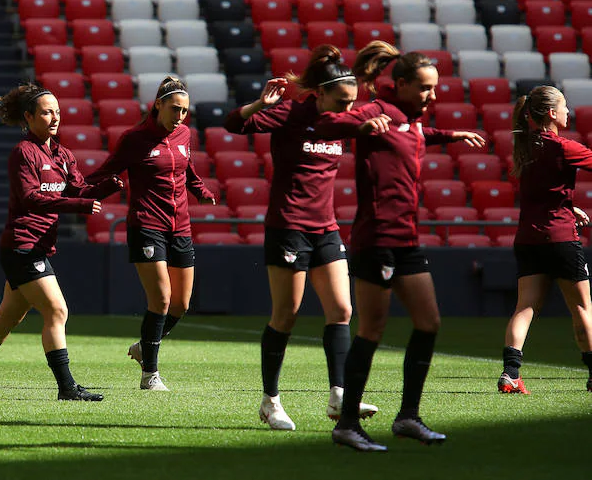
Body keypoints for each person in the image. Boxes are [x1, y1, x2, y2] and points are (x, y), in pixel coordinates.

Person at [312, 41, 485, 451]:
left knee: (429, 323)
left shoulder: (413, 119)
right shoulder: (379, 111)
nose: (433, 95)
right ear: (402, 84)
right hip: (377, 240)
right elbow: (326, 124)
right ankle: (348, 424)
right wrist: (359, 126)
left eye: (435, 88)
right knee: (372, 329)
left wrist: (452, 135)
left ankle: (408, 417)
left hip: (407, 238)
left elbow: (419, 132)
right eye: (425, 88)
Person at [224, 46, 385, 430]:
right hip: (288, 227)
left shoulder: (342, 121)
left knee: (342, 311)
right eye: (342, 101)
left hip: (326, 227)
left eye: (353, 102)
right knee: (287, 314)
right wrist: (257, 105)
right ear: (320, 94)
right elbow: (234, 124)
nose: (348, 110)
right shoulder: (292, 114)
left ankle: (339, 396)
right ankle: (270, 401)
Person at [0, 82, 122, 401]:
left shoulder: (62, 153)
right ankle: (68, 389)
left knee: (7, 317)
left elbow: (79, 191)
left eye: (57, 111)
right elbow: (31, 199)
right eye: (47, 112)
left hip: (36, 245)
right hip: (22, 245)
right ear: (28, 117)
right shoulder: (23, 153)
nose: (55, 117)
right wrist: (79, 205)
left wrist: (109, 186)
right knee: (57, 311)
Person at [86, 76, 216, 391]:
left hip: (180, 226)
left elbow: (188, 171)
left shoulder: (185, 134)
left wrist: (201, 190)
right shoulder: (134, 138)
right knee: (160, 298)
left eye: (185, 111)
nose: (180, 116)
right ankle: (150, 375)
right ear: (158, 105)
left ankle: (144, 345)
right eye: (175, 109)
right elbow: (107, 169)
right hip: (147, 225)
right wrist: (74, 189)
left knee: (181, 305)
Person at [499, 85, 592, 395]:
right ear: (552, 113)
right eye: (565, 107)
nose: (569, 112)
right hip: (562, 238)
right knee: (581, 309)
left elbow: (542, 193)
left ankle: (510, 373)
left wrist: (568, 205)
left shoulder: (525, 147)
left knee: (524, 307)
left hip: (528, 238)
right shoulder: (564, 147)